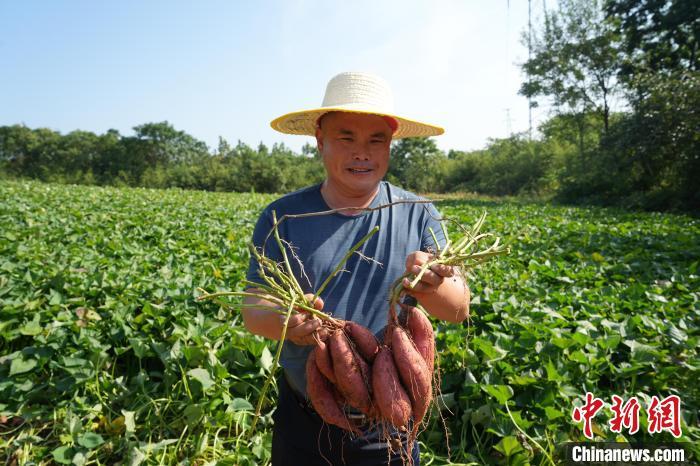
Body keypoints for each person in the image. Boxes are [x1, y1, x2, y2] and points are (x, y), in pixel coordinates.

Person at [242, 71, 470, 466]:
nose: (361, 152)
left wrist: (433, 285)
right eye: (346, 138)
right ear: (320, 141)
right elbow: (254, 309)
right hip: (307, 417)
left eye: (375, 140)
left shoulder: (418, 214)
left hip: (392, 416)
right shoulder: (283, 217)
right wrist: (286, 322)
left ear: (390, 145)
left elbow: (458, 309)